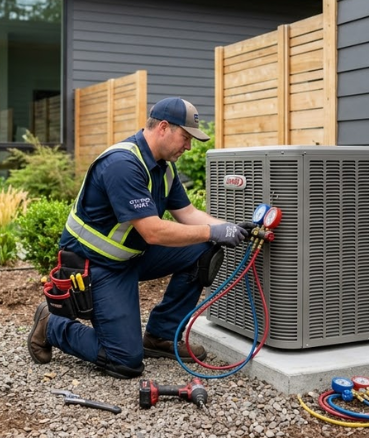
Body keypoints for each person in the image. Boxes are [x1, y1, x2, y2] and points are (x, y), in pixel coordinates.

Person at [27, 97, 248, 378]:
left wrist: (231, 228)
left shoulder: (164, 167)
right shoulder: (122, 164)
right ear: (164, 128)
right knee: (125, 361)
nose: (189, 146)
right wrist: (213, 230)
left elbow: (188, 213)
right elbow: (153, 231)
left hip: (131, 256)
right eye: (186, 137)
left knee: (203, 248)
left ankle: (161, 336)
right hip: (96, 265)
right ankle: (51, 324)